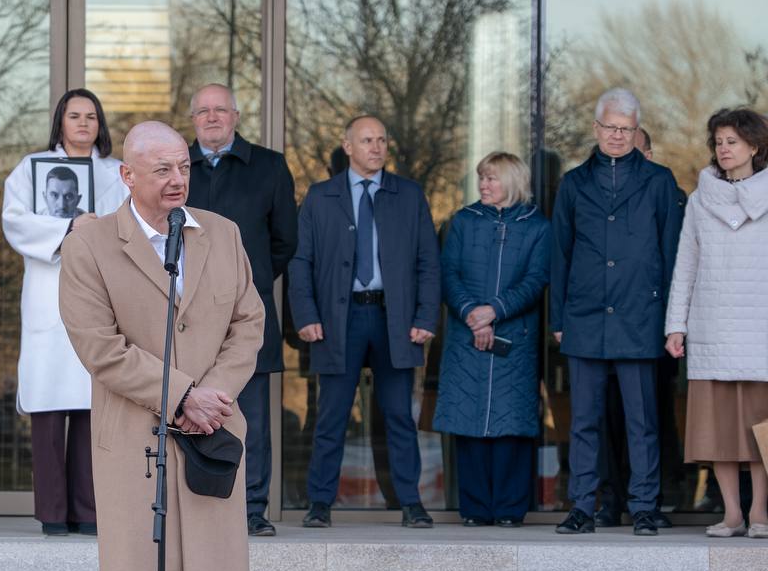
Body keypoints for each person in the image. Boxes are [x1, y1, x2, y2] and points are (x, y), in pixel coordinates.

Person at [58, 121, 264, 571]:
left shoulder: (222, 236)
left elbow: (248, 323)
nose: (179, 179)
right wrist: (181, 394)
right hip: (135, 442)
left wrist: (215, 394)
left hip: (211, 433)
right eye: (163, 170)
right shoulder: (91, 241)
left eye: (184, 167)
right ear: (128, 176)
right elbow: (99, 346)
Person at [287, 115, 440, 528]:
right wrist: (306, 315)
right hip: (340, 318)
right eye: (367, 140)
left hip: (396, 319)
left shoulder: (408, 195)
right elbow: (301, 262)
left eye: (382, 140)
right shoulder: (321, 197)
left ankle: (411, 503)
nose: (376, 147)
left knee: (398, 416)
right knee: (331, 415)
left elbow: (428, 260)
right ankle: (320, 502)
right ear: (348, 146)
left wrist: (426, 315)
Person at [549, 88, 683, 536]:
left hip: (640, 317)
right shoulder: (572, 183)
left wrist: (672, 321)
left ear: (636, 131)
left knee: (642, 421)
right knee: (584, 419)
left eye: (626, 129)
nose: (618, 136)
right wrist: (558, 320)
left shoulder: (660, 181)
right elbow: (559, 255)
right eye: (611, 127)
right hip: (584, 316)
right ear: (596, 128)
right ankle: (582, 507)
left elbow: (672, 254)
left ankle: (644, 505)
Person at [2, 89, 129, 536]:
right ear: (60, 122)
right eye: (74, 115)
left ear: (100, 124)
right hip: (48, 294)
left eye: (91, 116)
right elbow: (15, 221)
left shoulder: (116, 174)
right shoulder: (30, 169)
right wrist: (69, 227)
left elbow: (128, 225)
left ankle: (89, 511)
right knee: (51, 409)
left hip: (100, 294)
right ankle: (53, 513)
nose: (83, 123)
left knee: (95, 406)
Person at [184, 83, 296, 536]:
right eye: (203, 111)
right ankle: (196, 507)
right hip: (185, 311)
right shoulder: (177, 168)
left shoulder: (269, 166)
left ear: (235, 116)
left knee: (248, 411)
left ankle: (251, 508)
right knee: (186, 403)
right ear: (193, 119)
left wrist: (250, 281)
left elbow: (286, 241)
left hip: (247, 311)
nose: (212, 118)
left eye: (221, 110)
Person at [664, 108, 768, 538]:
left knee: (762, 429)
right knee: (719, 430)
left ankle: (760, 513)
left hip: (760, 329)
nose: (724, 149)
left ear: (754, 147)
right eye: (719, 142)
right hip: (712, 328)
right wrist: (676, 326)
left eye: (733, 142)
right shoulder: (700, 198)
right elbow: (686, 264)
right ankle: (731, 514)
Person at [433, 152, 551, 527]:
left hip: (513, 338)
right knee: (469, 424)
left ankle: (509, 510)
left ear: (512, 183)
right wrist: (473, 313)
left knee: (510, 427)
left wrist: (495, 310)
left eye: (492, 179)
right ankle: (474, 509)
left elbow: (535, 280)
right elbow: (448, 272)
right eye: (482, 178)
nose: (483, 185)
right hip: (468, 336)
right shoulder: (464, 221)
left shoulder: (538, 227)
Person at [593, 125, 676, 528]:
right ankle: (609, 499)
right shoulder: (596, 196)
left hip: (651, 331)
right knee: (606, 420)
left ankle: (651, 500)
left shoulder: (668, 195)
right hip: (604, 330)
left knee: (650, 419)